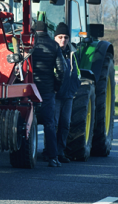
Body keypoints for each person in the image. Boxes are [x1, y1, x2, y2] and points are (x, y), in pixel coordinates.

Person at [30, 20, 66, 167]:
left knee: (28, 122)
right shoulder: (54, 45)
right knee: (49, 124)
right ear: (47, 31)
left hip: (30, 88)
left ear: (35, 31)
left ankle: (27, 154)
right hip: (47, 90)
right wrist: (56, 85)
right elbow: (61, 70)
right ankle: (52, 158)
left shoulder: (30, 44)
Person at [54, 22, 81, 163]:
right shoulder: (52, 52)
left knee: (65, 124)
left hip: (68, 95)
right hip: (56, 95)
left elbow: (77, 73)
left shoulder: (72, 53)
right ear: (55, 38)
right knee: (54, 124)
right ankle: (51, 152)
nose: (63, 40)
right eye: (60, 37)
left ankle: (60, 152)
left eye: (65, 37)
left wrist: (74, 87)